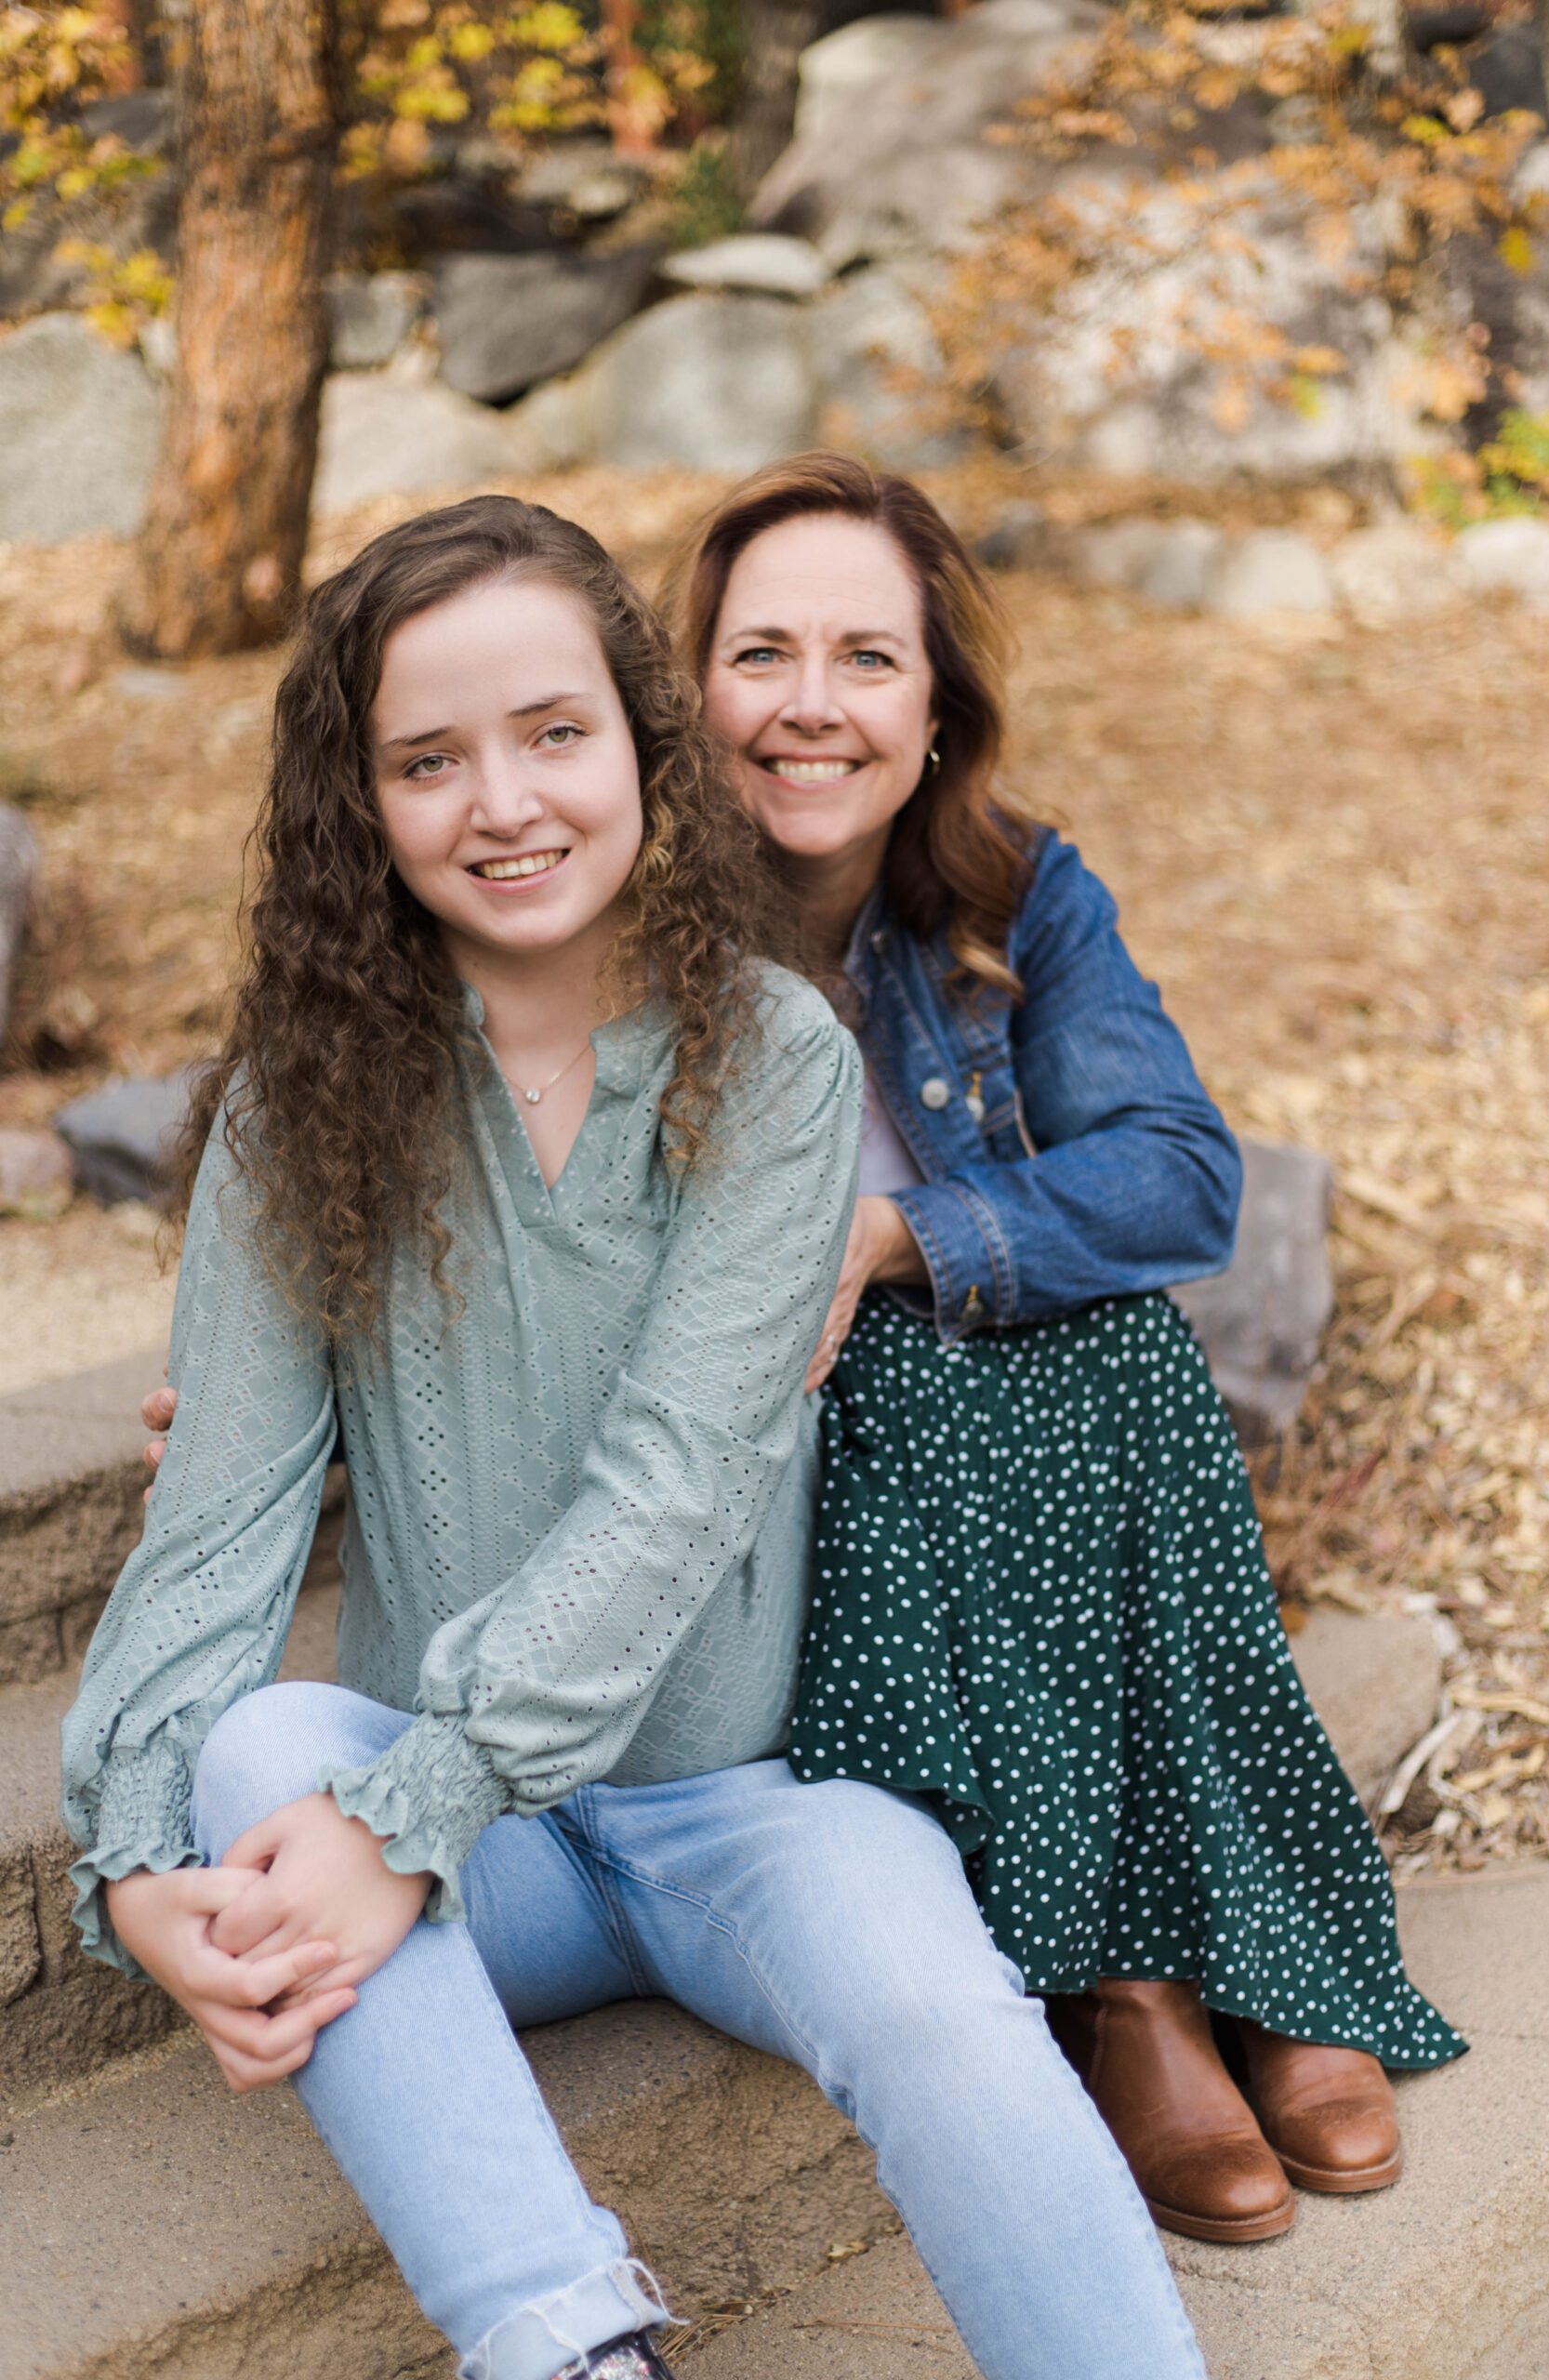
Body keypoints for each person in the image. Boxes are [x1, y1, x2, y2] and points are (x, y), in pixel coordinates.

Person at [65, 496, 1209, 2380]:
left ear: (639, 746)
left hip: (742, 1802)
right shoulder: (298, 1110)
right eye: (426, 761)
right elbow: (218, 1525)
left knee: (939, 2004)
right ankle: (576, 2350)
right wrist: (129, 1862)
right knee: (264, 1735)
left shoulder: (770, 1058)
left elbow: (676, 1482)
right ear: (361, 803)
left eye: (551, 734)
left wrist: (399, 1813)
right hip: (471, 1850)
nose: (501, 801)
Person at [664, 453, 1465, 2246]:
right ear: (686, 689)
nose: (811, 705)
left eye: (867, 658)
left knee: (1114, 1349)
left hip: (977, 1367)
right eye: (760, 654)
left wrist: (900, 1231)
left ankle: (1213, 1965)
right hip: (784, 1434)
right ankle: (1136, 1984)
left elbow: (1183, 1175)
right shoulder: (619, 916)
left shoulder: (1012, 892)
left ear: (937, 707)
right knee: (995, 1383)